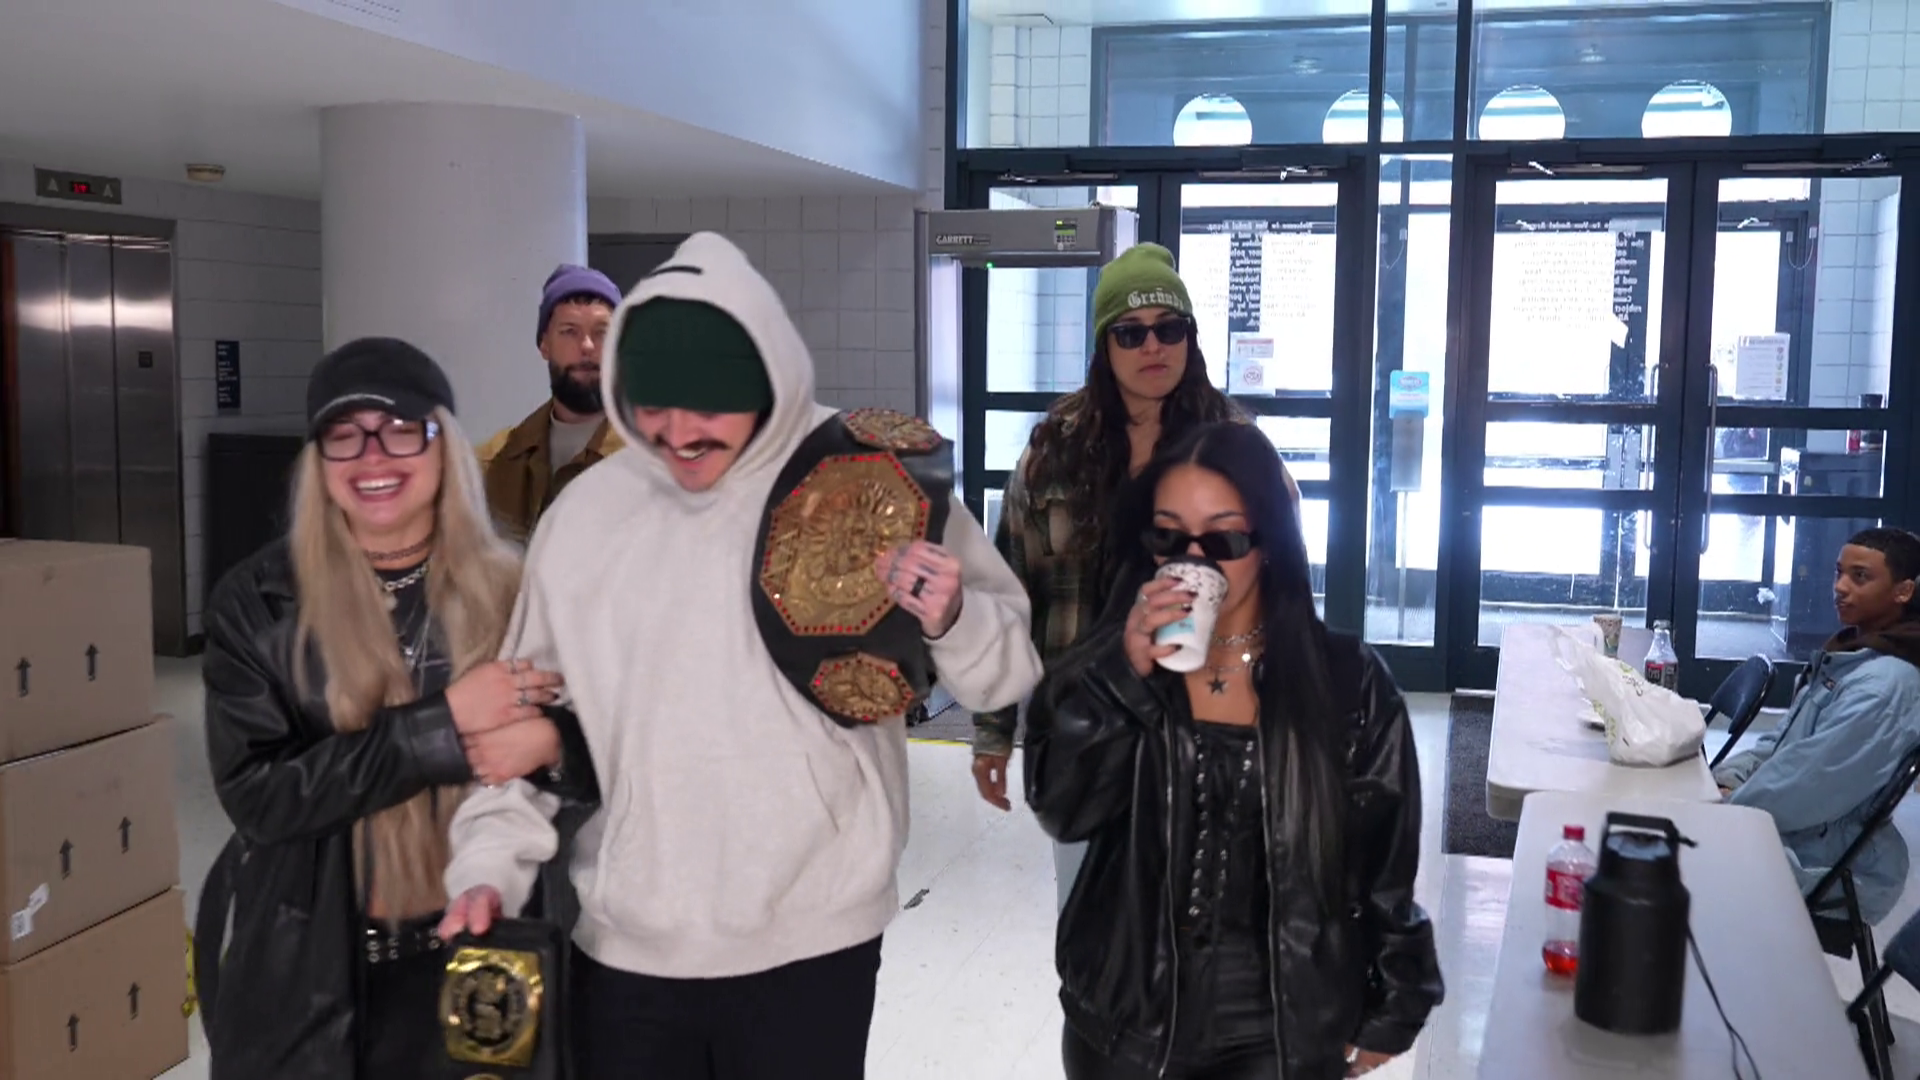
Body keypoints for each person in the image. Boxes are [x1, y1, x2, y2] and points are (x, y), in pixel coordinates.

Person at [437, 232, 1044, 1079]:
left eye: (709, 402)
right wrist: (487, 868)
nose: (679, 433)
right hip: (631, 944)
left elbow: (1005, 673)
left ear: (768, 375)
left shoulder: (868, 476)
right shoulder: (586, 519)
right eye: (653, 404)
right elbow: (526, 718)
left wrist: (953, 616)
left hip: (815, 937)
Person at [193, 337, 592, 1079]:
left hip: (481, 949)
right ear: (318, 461)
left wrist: (556, 745)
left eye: (402, 429)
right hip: (309, 970)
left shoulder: (517, 591)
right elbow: (261, 797)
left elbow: (585, 763)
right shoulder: (259, 603)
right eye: (344, 435)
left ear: (446, 446)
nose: (372, 457)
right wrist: (446, 722)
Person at [1025, 421, 1442, 1080]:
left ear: (1269, 544)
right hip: (1128, 1021)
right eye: (1169, 538)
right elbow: (1061, 809)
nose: (1195, 562)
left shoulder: (1347, 680)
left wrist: (1397, 995)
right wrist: (1121, 680)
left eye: (1223, 540)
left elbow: (1384, 859)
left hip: (1280, 1025)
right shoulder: (1111, 667)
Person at [972, 243, 1243, 913]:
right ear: (1104, 346)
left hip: (1203, 727)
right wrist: (993, 731)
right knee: (1090, 917)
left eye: (1169, 328)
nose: (1153, 345)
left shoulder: (1234, 446)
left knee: (1197, 923)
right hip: (1084, 724)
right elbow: (1009, 596)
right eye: (1131, 332)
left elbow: (1277, 592)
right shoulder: (1055, 451)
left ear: (1190, 339)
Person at [1716, 526, 1920, 926]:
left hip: (1826, 866)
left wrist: (1728, 807)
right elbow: (1780, 745)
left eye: (1860, 577)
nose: (1840, 587)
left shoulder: (1884, 687)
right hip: (1799, 834)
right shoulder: (1853, 654)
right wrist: (1724, 779)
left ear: (1904, 591)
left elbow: (1808, 784)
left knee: (1654, 861)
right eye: (1839, 573)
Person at [477, 263, 625, 543]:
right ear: (545, 344)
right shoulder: (495, 463)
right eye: (569, 331)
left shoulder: (653, 460)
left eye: (602, 332)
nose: (587, 346)